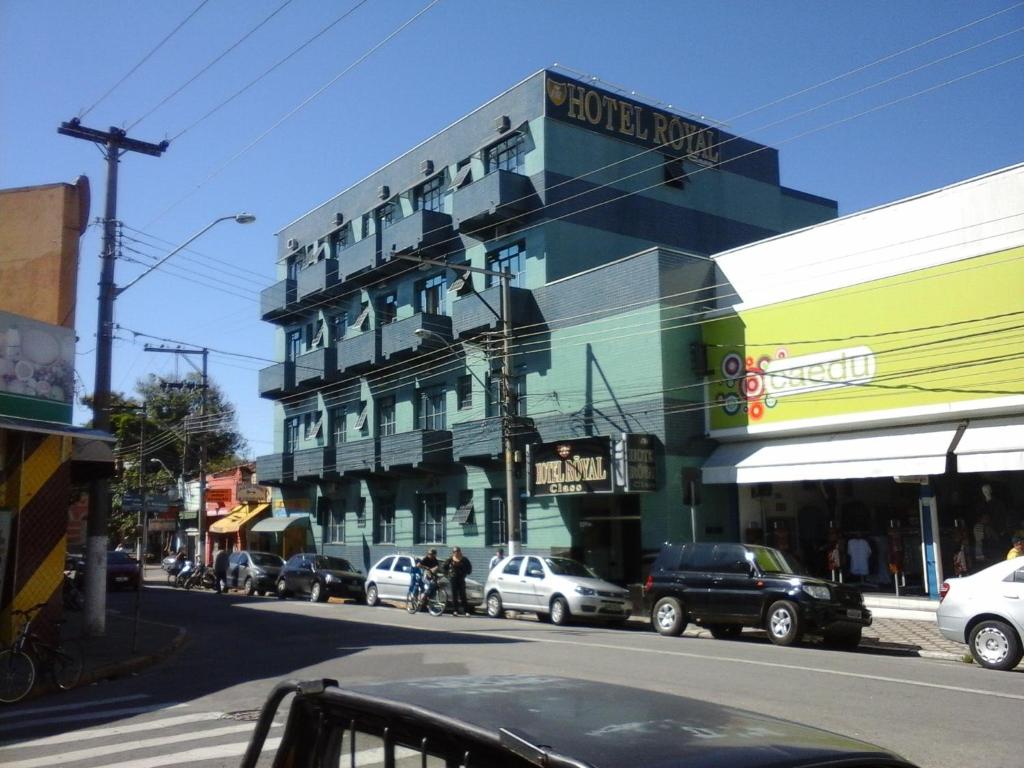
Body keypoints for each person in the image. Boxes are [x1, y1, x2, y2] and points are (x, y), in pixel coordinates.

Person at [444, 547, 472, 616]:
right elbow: (444, 567)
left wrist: (464, 571)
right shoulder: (450, 559)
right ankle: (455, 611)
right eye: (454, 552)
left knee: (463, 595)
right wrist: (448, 574)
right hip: (453, 578)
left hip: (461, 578)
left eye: (457, 551)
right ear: (453, 552)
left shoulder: (464, 559)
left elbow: (469, 569)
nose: (456, 553)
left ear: (460, 552)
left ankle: (466, 611)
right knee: (454, 595)